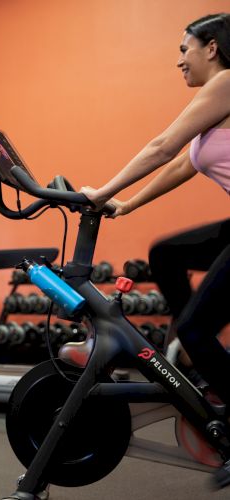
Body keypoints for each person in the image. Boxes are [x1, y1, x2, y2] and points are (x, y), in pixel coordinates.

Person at [80, 13, 230, 408]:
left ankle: (200, 351)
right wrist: (126, 204)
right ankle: (198, 354)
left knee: (197, 328)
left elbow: (163, 147)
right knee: (166, 253)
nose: (179, 60)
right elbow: (182, 164)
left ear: (212, 48)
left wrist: (102, 191)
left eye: (185, 50)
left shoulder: (227, 83)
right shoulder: (216, 104)